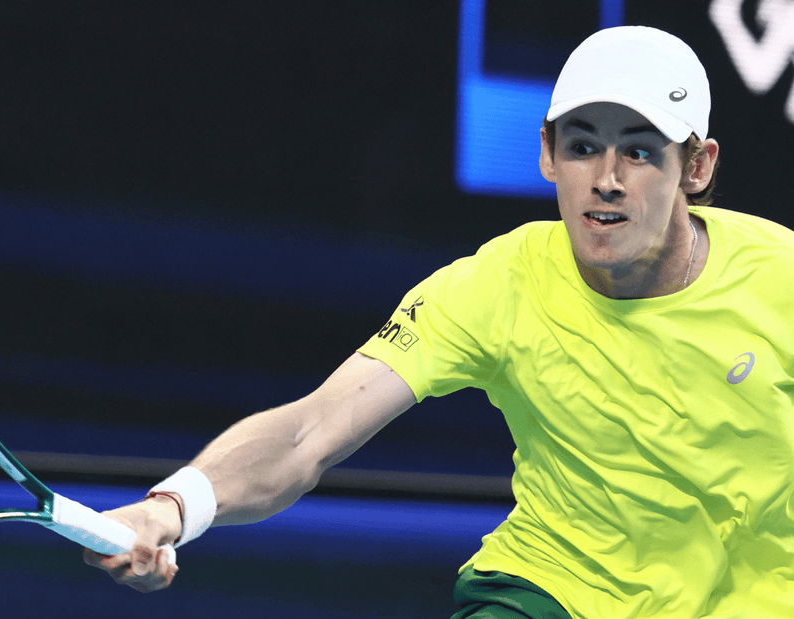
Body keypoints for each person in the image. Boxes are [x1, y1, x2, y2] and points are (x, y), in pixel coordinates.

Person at [84, 26, 794, 618]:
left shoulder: (780, 278)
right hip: (556, 593)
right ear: (547, 154)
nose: (606, 177)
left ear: (697, 166)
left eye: (640, 150)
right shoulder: (495, 284)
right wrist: (172, 507)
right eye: (582, 146)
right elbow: (310, 431)